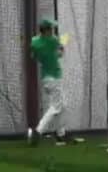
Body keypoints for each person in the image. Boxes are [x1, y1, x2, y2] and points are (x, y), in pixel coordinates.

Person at [28, 18, 80, 146]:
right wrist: (63, 45)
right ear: (45, 30)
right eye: (50, 29)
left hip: (46, 78)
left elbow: (33, 55)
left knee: (63, 105)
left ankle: (60, 134)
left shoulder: (34, 42)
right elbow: (60, 53)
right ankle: (38, 131)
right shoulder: (52, 40)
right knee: (56, 107)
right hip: (54, 77)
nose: (52, 31)